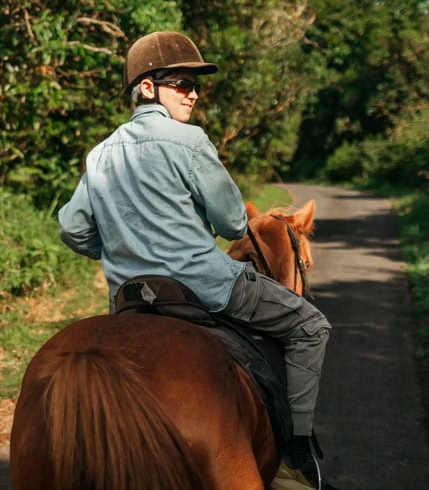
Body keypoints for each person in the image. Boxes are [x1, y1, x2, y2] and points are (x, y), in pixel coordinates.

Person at [58, 30, 331, 484]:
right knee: (310, 326)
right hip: (206, 288)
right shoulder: (190, 140)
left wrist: (116, 246)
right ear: (147, 87)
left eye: (195, 84)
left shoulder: (100, 154)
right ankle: (298, 453)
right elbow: (230, 222)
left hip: (129, 298)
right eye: (182, 83)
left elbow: (72, 228)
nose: (194, 93)